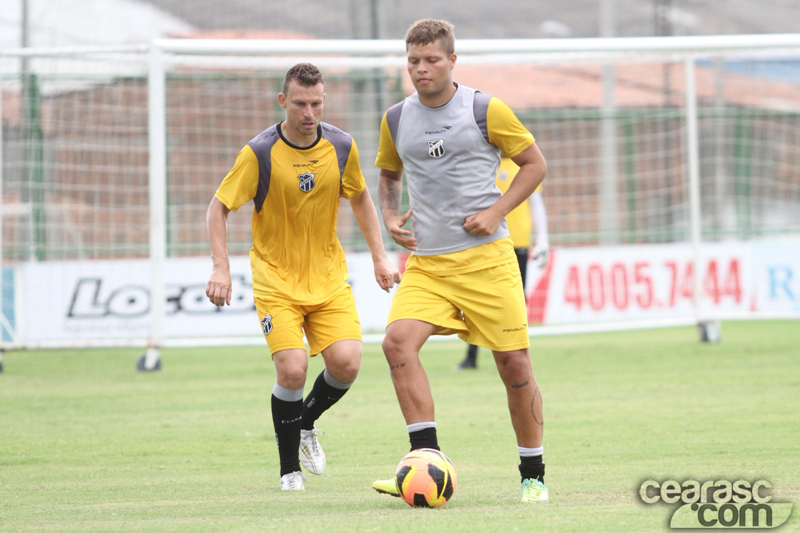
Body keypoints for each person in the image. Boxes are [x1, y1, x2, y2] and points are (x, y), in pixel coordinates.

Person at [371, 19, 550, 502]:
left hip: (487, 261)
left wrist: (496, 212)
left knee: (514, 365)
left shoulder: (484, 109)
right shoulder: (395, 118)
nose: (421, 69)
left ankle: (532, 475)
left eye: (431, 60)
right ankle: (425, 461)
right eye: (413, 61)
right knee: (396, 344)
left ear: (452, 61)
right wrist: (389, 216)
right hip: (429, 265)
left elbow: (536, 164)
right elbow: (388, 173)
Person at [205, 63, 401, 491]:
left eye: (316, 103)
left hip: (328, 278)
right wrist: (221, 267)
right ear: (283, 102)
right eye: (299, 104)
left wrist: (380, 257)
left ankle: (307, 421)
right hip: (276, 280)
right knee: (292, 370)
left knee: (347, 365)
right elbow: (218, 208)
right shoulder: (258, 153)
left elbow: (362, 198)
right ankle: (288, 470)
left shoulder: (341, 146)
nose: (308, 112)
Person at [457, 156, 550, 370]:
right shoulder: (483, 165)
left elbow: (536, 204)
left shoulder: (525, 166)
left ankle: (517, 354)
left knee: (515, 302)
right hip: (489, 243)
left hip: (518, 244)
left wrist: (543, 240)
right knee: (478, 300)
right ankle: (471, 355)